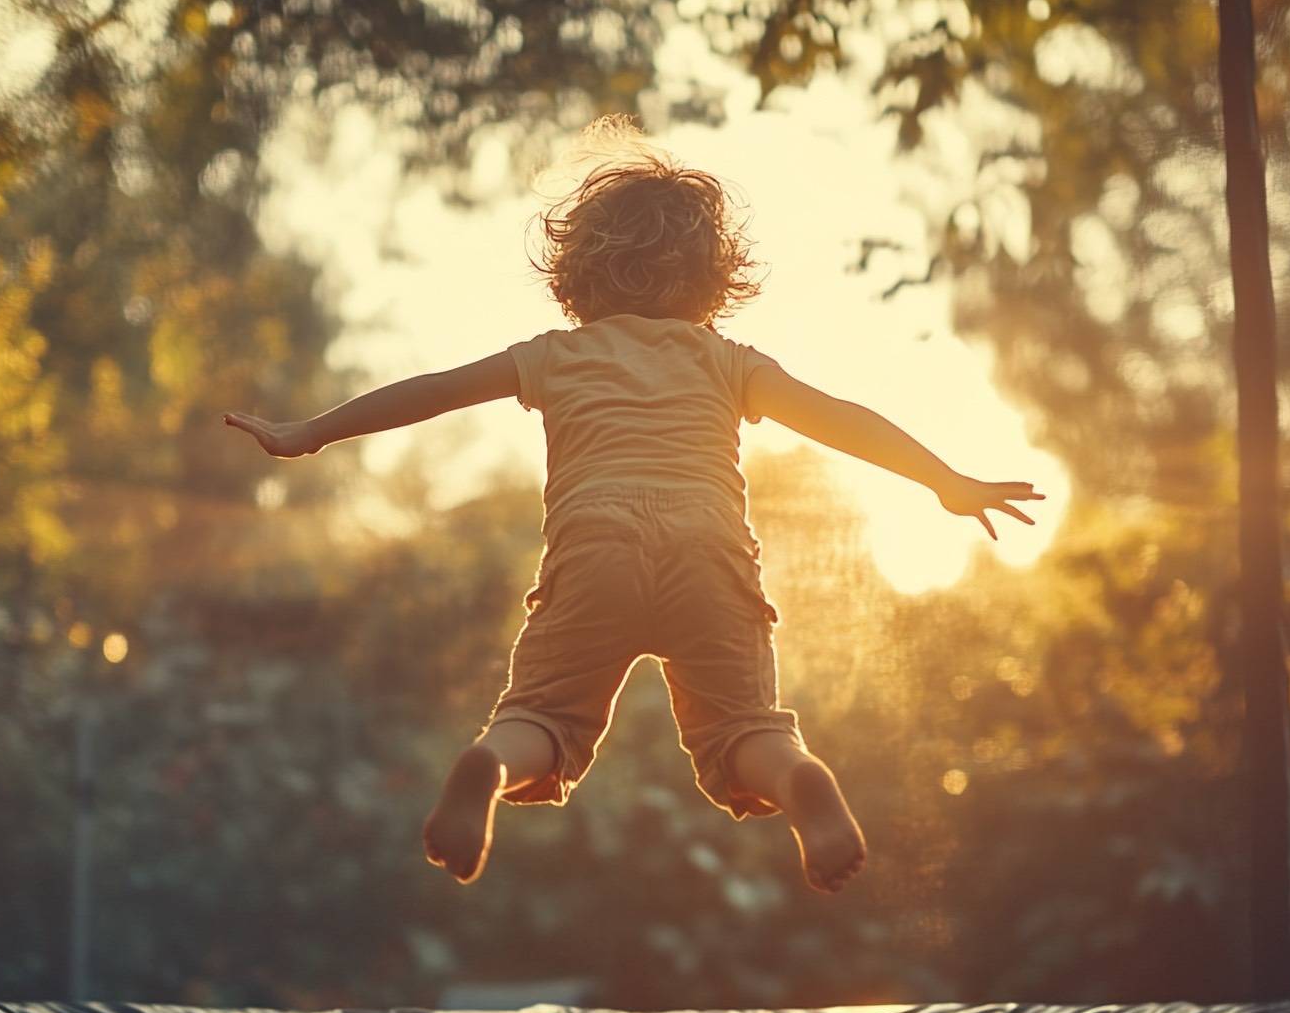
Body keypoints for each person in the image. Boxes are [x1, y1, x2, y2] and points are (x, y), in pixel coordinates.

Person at [225, 128, 1043, 894]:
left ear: (576, 273)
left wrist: (311, 433)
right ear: (716, 277)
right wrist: (946, 480)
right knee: (744, 730)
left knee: (542, 714)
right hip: (709, 553)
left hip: (595, 550)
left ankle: (491, 764)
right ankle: (796, 779)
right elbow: (841, 416)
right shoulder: (727, 361)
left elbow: (432, 393)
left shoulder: (556, 355)